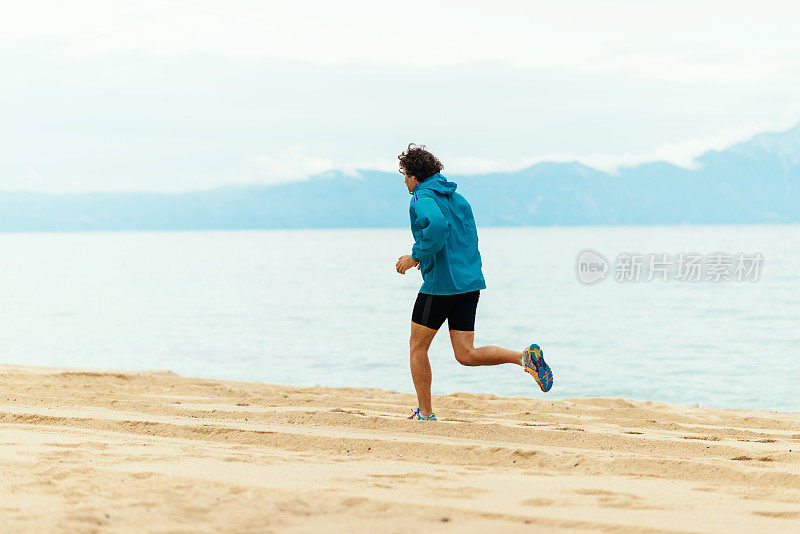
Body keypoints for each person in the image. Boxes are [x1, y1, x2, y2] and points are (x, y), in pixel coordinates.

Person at [395, 144, 553, 421]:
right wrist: (430, 254)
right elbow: (459, 237)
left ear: (415, 175)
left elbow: (437, 227)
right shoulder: (457, 198)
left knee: (417, 348)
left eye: (405, 174)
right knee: (465, 354)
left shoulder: (422, 196)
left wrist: (415, 256)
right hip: (469, 284)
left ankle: (426, 413)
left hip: (440, 286)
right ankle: (523, 358)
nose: (404, 180)